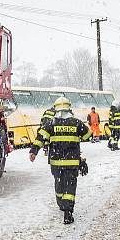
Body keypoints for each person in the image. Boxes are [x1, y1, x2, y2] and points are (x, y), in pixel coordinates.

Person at [30, 96, 91, 224]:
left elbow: (40, 138)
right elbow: (87, 135)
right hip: (72, 162)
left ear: (56, 109)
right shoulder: (76, 123)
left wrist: (34, 151)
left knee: (59, 183)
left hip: (56, 163)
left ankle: (61, 203)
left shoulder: (50, 124)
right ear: (69, 108)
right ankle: (68, 212)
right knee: (70, 186)